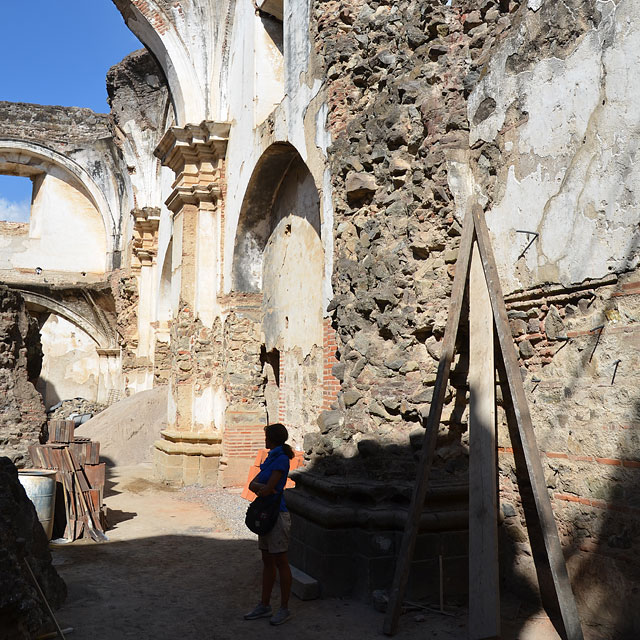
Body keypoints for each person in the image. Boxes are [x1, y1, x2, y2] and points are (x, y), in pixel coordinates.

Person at [244, 423, 295, 626]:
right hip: (267, 512)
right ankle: (264, 604)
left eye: (266, 437)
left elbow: (266, 488)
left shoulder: (281, 459)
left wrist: (261, 487)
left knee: (280, 561)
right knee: (267, 559)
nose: (264, 440)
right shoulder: (271, 458)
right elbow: (254, 484)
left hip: (277, 515)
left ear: (272, 439)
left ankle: (284, 608)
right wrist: (261, 487)